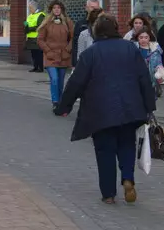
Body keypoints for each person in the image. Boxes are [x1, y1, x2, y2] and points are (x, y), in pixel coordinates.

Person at [55, 14, 155, 205]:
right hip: (130, 109)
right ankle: (127, 178)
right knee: (127, 145)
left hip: (100, 111)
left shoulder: (90, 54)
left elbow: (76, 83)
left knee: (105, 151)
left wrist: (64, 106)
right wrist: (149, 106)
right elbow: (144, 78)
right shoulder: (130, 49)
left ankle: (108, 194)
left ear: (97, 31)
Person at [38, 1, 75, 114]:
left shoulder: (68, 22)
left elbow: (73, 38)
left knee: (61, 81)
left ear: (62, 9)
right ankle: (55, 102)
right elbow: (40, 39)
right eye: (54, 8)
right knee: (54, 79)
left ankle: (60, 102)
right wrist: (48, 51)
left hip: (63, 56)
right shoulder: (47, 23)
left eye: (59, 8)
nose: (57, 10)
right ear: (51, 10)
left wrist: (68, 49)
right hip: (50, 56)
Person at [25, 5, 47, 73]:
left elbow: (40, 26)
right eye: (29, 8)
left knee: (39, 53)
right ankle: (35, 67)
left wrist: (29, 29)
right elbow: (26, 24)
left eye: (30, 8)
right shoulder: (29, 16)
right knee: (33, 53)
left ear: (35, 7)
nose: (30, 9)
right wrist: (25, 27)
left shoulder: (41, 15)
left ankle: (40, 68)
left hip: (37, 37)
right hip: (30, 38)